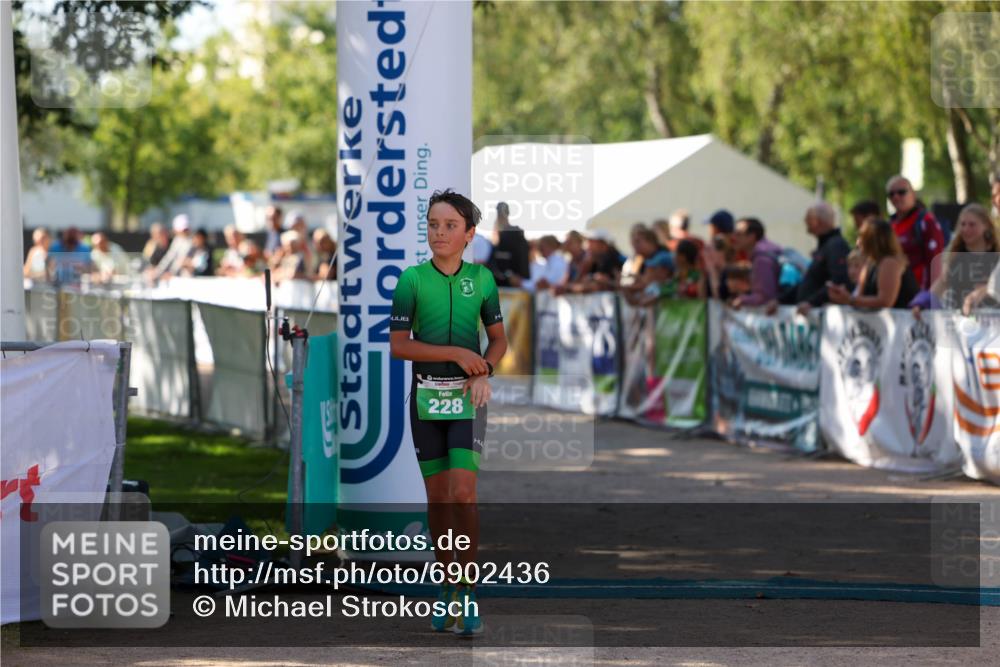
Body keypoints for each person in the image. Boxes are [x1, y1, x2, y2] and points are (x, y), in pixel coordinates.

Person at [390, 189, 507, 637]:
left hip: (467, 402)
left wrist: (483, 371)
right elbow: (399, 346)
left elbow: (498, 341)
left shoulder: (483, 279)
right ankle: (446, 586)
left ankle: (468, 592)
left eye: (450, 226)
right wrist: (458, 352)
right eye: (433, 224)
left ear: (469, 233)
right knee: (438, 500)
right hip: (426, 400)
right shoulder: (412, 280)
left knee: (463, 494)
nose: (440, 233)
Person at [914, 203, 999, 314]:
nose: (965, 229)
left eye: (972, 225)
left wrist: (985, 289)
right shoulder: (954, 256)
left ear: (986, 226)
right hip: (958, 322)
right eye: (962, 224)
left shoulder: (996, 256)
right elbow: (942, 283)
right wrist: (922, 303)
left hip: (992, 322)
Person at [828, 219, 919, 310]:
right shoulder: (870, 263)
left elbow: (885, 301)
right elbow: (859, 294)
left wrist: (850, 300)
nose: (857, 242)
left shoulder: (890, 262)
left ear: (873, 240)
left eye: (862, 237)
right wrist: (842, 296)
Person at [886, 175, 945, 290]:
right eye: (891, 194)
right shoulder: (888, 225)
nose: (896, 197)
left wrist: (929, 296)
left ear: (913, 194)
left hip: (918, 295)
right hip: (893, 292)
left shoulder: (926, 222)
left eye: (901, 192)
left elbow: (936, 261)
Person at [792, 203, 851, 314]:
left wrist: (812, 302)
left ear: (816, 221)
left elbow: (838, 280)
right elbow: (810, 281)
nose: (805, 224)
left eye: (807, 220)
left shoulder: (835, 245)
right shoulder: (826, 246)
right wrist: (780, 299)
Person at [729, 217, 782, 309]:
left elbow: (765, 297)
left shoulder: (762, 259)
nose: (733, 238)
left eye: (738, 234)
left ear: (752, 236)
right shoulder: (764, 252)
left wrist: (741, 300)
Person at [621, 226, 674, 303]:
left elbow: (646, 283)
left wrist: (623, 286)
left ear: (650, 242)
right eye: (633, 241)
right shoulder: (641, 258)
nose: (634, 245)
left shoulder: (661, 257)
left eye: (638, 242)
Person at [486, 202, 531, 287]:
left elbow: (522, 256)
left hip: (513, 283)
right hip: (499, 283)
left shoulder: (515, 233)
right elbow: (493, 262)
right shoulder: (496, 237)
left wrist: (519, 276)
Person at [150, 215, 194, 281]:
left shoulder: (191, 242)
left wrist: (171, 273)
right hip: (175, 277)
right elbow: (169, 258)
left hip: (185, 278)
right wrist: (157, 272)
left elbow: (181, 261)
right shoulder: (177, 240)